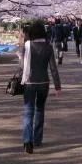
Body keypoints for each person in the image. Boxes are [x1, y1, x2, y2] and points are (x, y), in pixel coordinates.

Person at [20, 21, 61, 154]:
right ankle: (37, 139)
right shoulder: (48, 47)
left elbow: (22, 66)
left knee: (28, 111)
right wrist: (57, 86)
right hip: (44, 82)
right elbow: (53, 68)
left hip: (29, 82)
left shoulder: (27, 46)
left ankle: (27, 141)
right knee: (40, 110)